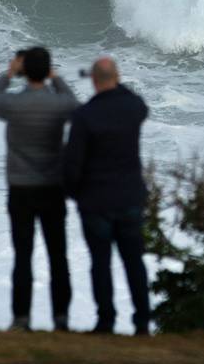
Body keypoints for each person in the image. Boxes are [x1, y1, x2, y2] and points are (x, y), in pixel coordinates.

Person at [0, 47, 78, 332]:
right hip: (52, 189)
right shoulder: (58, 105)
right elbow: (74, 103)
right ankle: (61, 319)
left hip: (21, 189)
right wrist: (56, 78)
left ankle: (21, 319)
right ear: (47, 71)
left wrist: (8, 74)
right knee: (57, 255)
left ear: (24, 71)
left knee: (23, 255)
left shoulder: (14, 104)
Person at [62, 56, 151, 335]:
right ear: (117, 77)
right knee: (133, 262)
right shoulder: (134, 108)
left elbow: (72, 165)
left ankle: (106, 321)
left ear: (93, 81)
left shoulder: (85, 116)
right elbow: (136, 101)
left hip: (96, 201)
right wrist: (115, 80)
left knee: (100, 264)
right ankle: (142, 323)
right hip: (129, 199)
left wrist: (76, 195)